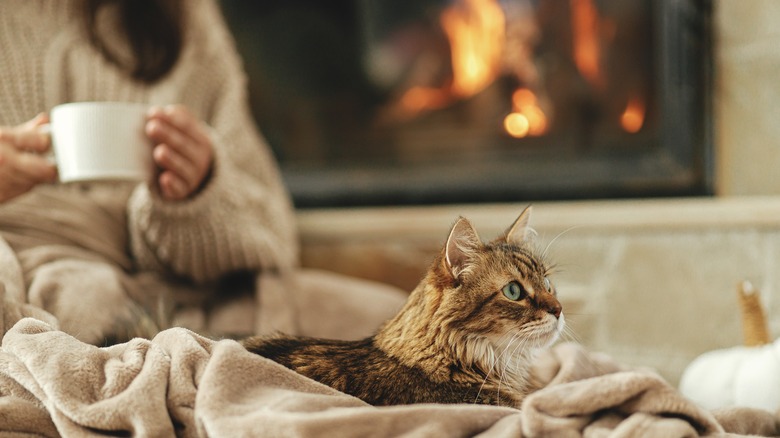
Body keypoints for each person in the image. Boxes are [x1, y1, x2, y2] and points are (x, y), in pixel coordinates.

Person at [0, 0, 406, 344]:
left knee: (396, 319)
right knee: (87, 305)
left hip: (175, 289)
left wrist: (198, 189)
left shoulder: (184, 15)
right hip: (27, 275)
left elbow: (272, 231)